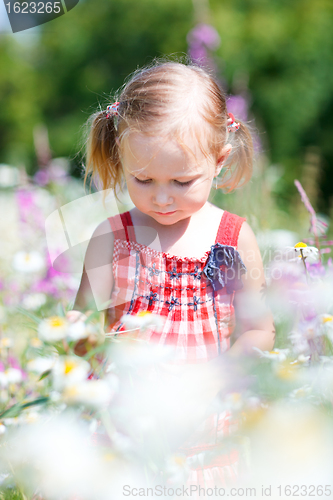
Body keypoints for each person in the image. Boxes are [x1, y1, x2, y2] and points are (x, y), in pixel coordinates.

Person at [73, 60, 275, 487]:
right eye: (143, 179)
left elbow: (258, 329)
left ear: (219, 161)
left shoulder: (233, 239)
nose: (162, 198)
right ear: (120, 158)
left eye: (182, 182)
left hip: (203, 431)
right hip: (124, 432)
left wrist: (217, 377)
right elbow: (81, 328)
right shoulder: (111, 238)